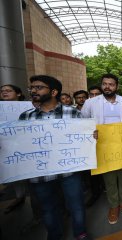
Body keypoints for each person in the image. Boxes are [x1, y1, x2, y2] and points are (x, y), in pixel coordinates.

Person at [19, 75, 91, 240]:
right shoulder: (26, 117)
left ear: (53, 92)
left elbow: (84, 138)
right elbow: (20, 145)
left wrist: (92, 136)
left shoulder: (72, 113)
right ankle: (54, 235)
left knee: (76, 206)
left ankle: (80, 234)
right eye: (32, 88)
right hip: (40, 174)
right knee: (48, 209)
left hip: (69, 172)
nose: (33, 91)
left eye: (39, 87)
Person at [81, 73, 122, 225]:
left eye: (111, 84)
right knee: (109, 178)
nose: (107, 86)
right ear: (101, 85)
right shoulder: (90, 103)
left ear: (116, 86)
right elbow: (82, 123)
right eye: (105, 84)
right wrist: (90, 132)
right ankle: (114, 205)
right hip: (103, 147)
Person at [0, 84, 27, 213]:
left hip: (26, 146)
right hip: (6, 147)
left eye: (8, 91)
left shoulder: (29, 107)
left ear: (19, 94)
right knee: (14, 176)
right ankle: (19, 197)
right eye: (2, 91)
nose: (4, 93)